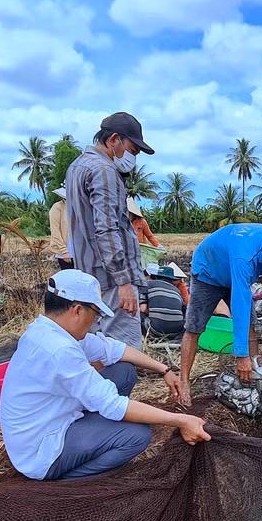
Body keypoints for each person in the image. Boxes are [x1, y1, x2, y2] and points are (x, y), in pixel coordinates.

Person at [0, 270, 209, 480]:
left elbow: (113, 349)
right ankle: (70, 482)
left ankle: (93, 434)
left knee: (123, 371)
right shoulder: (59, 349)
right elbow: (113, 405)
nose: (95, 320)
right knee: (136, 436)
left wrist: (164, 369)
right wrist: (181, 420)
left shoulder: (49, 330)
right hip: (41, 450)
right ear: (77, 310)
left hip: (49, 423)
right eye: (95, 313)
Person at [178, 224, 262, 407]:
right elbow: (240, 304)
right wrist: (241, 355)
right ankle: (184, 381)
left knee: (251, 325)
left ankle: (254, 369)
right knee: (194, 328)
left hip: (236, 272)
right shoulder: (244, 257)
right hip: (209, 271)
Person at [66, 112, 153, 350]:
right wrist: (123, 281)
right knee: (121, 348)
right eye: (132, 150)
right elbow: (106, 228)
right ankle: (118, 388)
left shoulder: (77, 166)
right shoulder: (104, 170)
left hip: (88, 272)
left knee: (95, 343)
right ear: (114, 139)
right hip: (110, 278)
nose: (132, 157)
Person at [140, 265, 186, 340]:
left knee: (134, 312)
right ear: (171, 280)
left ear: (156, 276)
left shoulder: (147, 285)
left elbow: (143, 309)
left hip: (155, 331)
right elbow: (184, 311)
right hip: (177, 332)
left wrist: (152, 312)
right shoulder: (177, 290)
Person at [48, 187, 73, 270]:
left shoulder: (79, 207)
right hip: (65, 252)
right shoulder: (57, 207)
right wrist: (64, 252)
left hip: (79, 252)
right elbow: (55, 231)